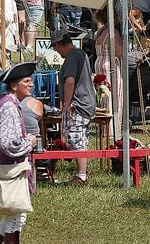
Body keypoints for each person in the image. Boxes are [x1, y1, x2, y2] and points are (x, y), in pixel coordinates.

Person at [0, 62, 38, 244]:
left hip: (9, 166)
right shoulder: (8, 107)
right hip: (11, 168)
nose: (31, 84)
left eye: (31, 81)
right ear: (14, 85)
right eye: (26, 81)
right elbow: (6, 143)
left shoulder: (9, 103)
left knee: (12, 217)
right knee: (17, 217)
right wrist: (28, 143)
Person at [51, 31, 96, 186]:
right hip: (84, 103)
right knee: (80, 138)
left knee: (76, 138)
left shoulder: (71, 57)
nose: (56, 51)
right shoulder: (80, 54)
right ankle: (81, 173)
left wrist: (67, 104)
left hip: (77, 104)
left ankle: (81, 175)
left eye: (55, 48)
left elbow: (70, 81)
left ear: (58, 44)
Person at [93, 10, 123, 133]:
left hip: (99, 62)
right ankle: (112, 130)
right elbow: (120, 51)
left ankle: (105, 128)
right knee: (114, 96)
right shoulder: (112, 32)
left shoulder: (100, 31)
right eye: (116, 16)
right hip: (109, 63)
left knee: (103, 95)